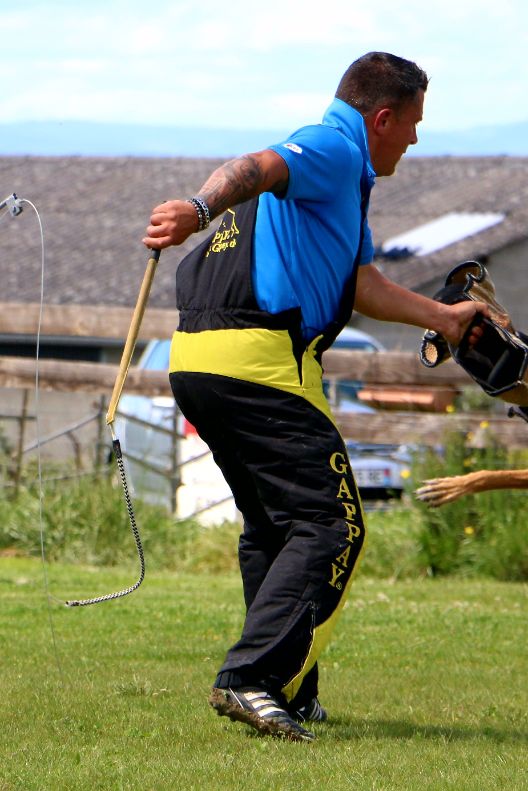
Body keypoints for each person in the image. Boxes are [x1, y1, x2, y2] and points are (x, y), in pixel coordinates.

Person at [142, 52, 486, 742]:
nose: (415, 140)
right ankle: (253, 679)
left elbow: (359, 284)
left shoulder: (340, 182)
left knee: (276, 525)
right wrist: (196, 207)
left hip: (200, 361)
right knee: (334, 525)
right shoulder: (330, 145)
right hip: (258, 364)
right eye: (413, 125)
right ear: (381, 118)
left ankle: (288, 690)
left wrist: (445, 318)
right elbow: (256, 167)